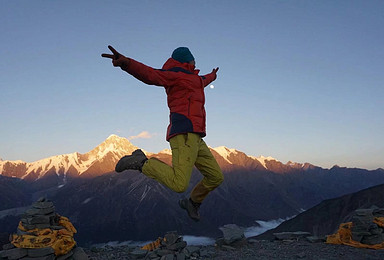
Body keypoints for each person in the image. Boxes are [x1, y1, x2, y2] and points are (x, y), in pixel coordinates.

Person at [101, 45, 224, 221]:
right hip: (184, 134)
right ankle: (141, 162)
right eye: (193, 58)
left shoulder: (194, 79)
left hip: (196, 137)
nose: (195, 61)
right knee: (179, 184)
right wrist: (126, 63)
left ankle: (193, 203)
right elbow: (150, 74)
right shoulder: (174, 75)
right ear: (186, 60)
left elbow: (204, 80)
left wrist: (213, 75)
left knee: (216, 177)